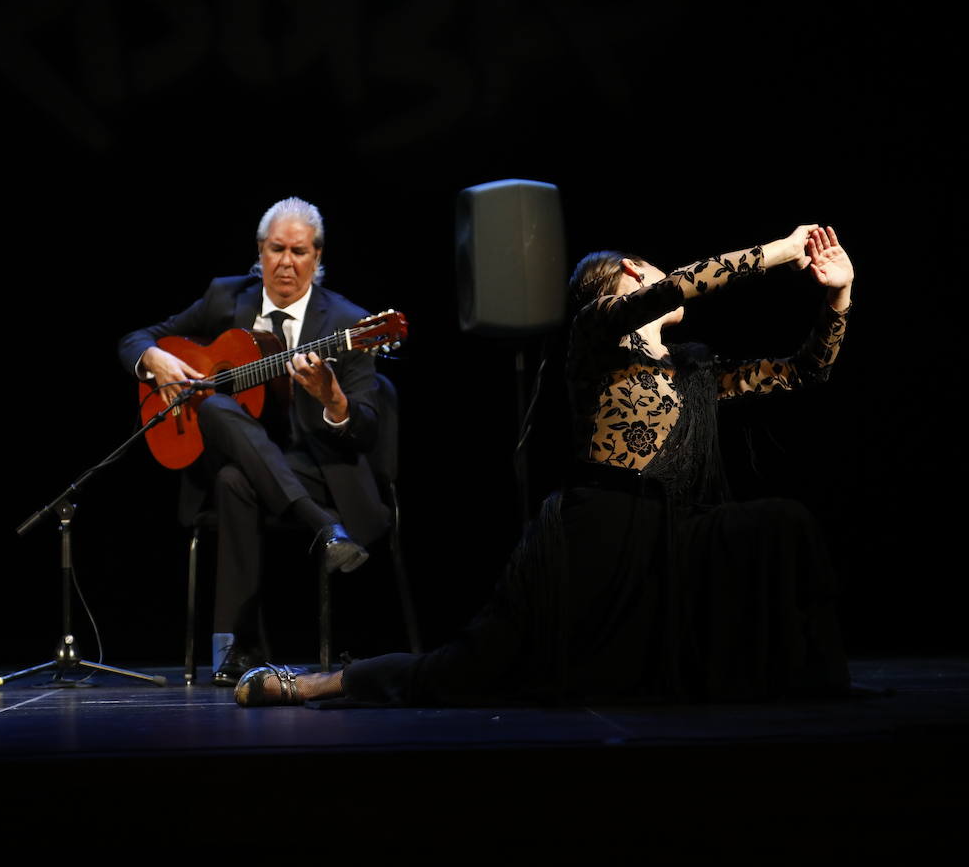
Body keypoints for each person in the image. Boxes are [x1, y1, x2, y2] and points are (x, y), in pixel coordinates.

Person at [235, 224, 854, 706]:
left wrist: (837, 296)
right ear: (633, 273)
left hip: (674, 536)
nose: (665, 279)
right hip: (597, 533)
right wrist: (778, 251)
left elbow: (805, 370)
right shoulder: (596, 333)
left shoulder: (696, 373)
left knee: (782, 521)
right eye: (652, 272)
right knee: (472, 669)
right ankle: (324, 684)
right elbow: (680, 286)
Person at [118, 197, 386, 687]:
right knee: (217, 406)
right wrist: (155, 360)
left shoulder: (351, 324)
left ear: (318, 257)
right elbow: (136, 338)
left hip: (316, 467)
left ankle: (238, 650)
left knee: (233, 479)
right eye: (277, 249)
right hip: (241, 449)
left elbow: (367, 428)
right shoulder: (226, 298)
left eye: (300, 252)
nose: (287, 262)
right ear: (259, 252)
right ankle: (323, 529)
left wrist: (334, 400)